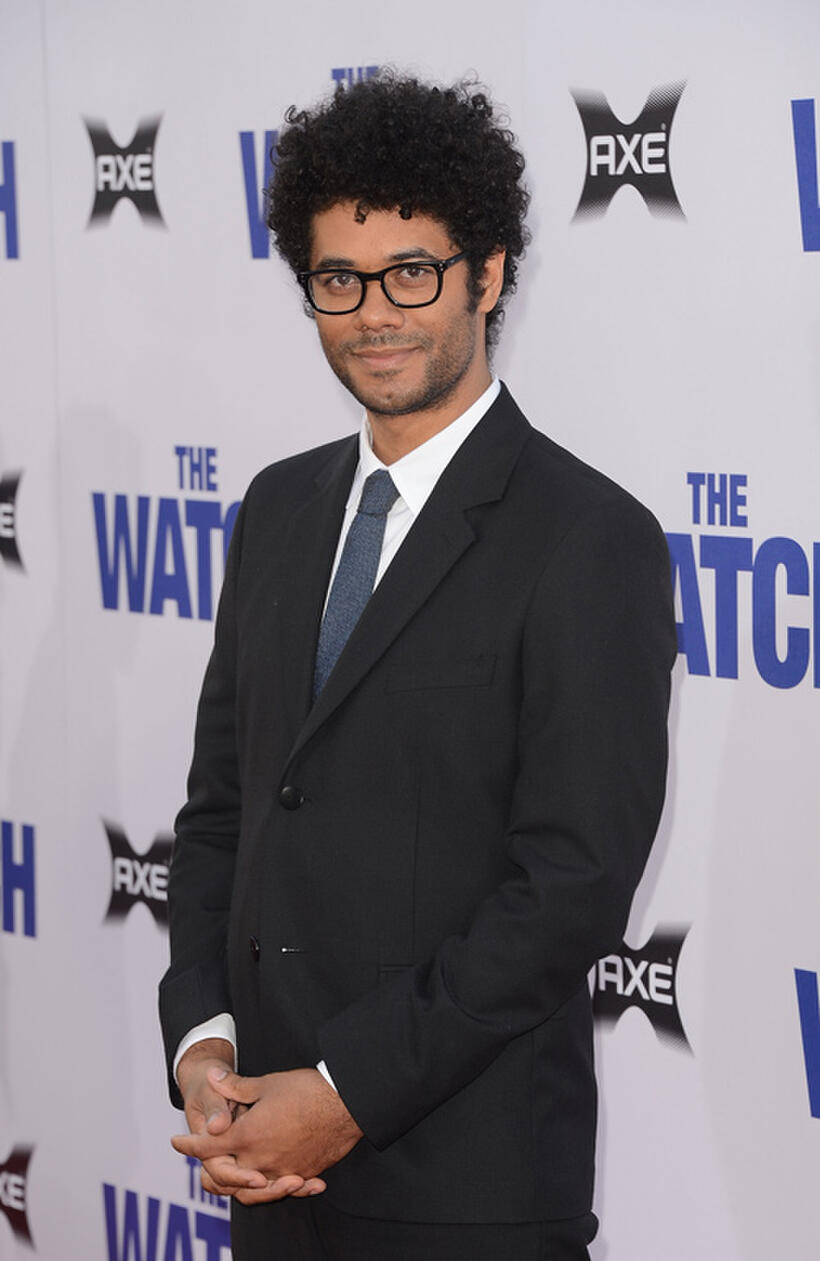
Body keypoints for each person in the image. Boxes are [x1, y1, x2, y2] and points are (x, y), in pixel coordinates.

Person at [160, 72, 676, 1261]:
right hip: (267, 1176)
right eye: (339, 279)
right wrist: (203, 1040)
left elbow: (570, 883)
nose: (374, 312)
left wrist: (340, 1092)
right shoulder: (278, 509)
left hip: (467, 1193)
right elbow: (222, 810)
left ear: (487, 274)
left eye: (412, 272)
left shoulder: (587, 538)